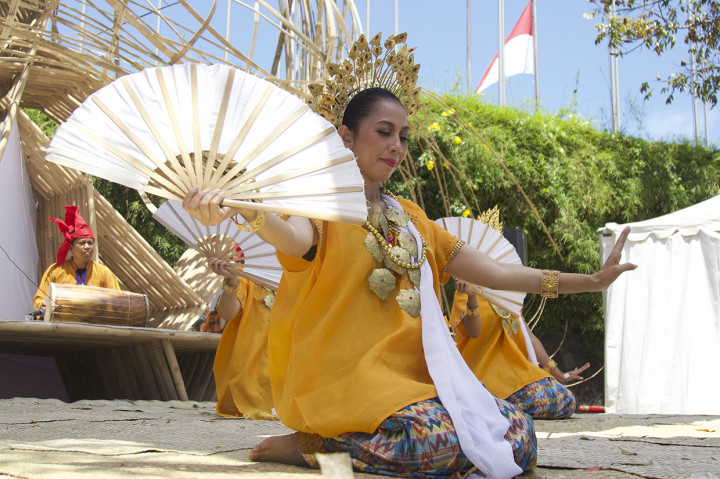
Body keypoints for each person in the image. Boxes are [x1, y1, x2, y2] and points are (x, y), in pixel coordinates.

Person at [181, 33, 635, 479]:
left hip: (413, 383)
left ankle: (339, 448)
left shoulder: (412, 219)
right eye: (383, 133)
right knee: (433, 442)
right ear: (345, 137)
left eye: (402, 135)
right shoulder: (317, 208)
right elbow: (295, 240)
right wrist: (244, 210)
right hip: (344, 382)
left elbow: (498, 270)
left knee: (518, 436)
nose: (397, 146)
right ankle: (312, 445)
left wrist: (591, 281)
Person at [450, 279, 590, 419]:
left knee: (566, 400)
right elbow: (474, 332)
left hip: (518, 373)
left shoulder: (507, 294)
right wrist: (472, 297)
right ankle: (492, 406)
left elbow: (530, 337)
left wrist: (560, 375)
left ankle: (498, 408)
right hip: (485, 374)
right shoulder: (465, 292)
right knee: (536, 401)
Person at [206, 256, 275, 419]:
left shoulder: (298, 275)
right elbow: (228, 313)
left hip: (288, 374)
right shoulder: (246, 276)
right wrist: (231, 280)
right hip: (250, 378)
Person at [33, 205, 119, 311]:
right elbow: (39, 299)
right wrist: (42, 304)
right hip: (63, 324)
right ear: (71, 248)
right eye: (82, 243)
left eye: (90, 243)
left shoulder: (103, 272)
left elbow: (118, 299)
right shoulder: (55, 271)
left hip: (94, 324)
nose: (87, 247)